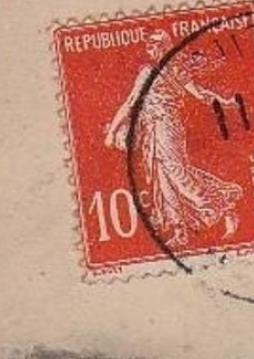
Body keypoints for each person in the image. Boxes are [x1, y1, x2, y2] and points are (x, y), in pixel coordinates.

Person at [104, 29, 244, 247]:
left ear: (164, 47)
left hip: (168, 127)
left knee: (178, 174)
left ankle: (222, 208)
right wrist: (113, 130)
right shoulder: (146, 71)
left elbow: (200, 94)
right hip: (150, 129)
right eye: (148, 46)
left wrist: (224, 102)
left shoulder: (176, 70)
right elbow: (131, 101)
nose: (150, 49)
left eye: (154, 45)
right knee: (161, 177)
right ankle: (179, 230)